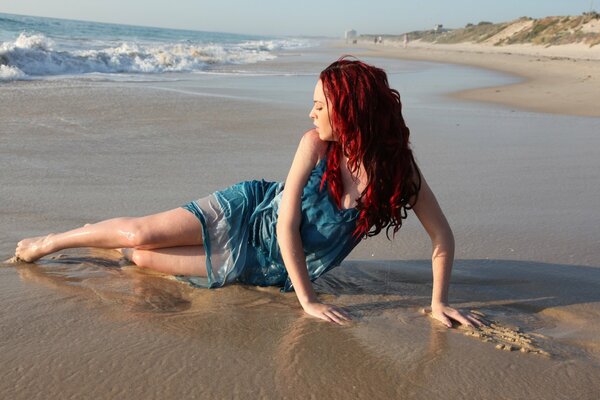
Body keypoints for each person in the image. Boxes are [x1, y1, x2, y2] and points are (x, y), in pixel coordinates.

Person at [15, 57, 481, 328]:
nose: (311, 111)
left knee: (139, 259)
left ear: (351, 110)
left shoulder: (399, 173)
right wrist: (308, 301)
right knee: (138, 235)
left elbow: (442, 237)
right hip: (247, 213)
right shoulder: (315, 145)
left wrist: (439, 302)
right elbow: (286, 223)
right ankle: (53, 241)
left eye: (321, 105)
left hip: (262, 264)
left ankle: (100, 237)